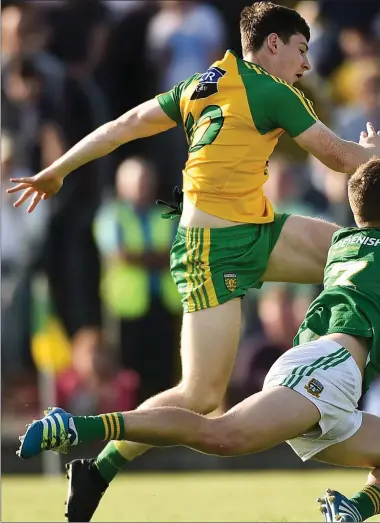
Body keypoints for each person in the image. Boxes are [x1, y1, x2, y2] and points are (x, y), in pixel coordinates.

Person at [8, 2, 380, 521]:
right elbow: (341, 159)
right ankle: (97, 459)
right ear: (272, 44)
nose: (307, 65)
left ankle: (347, 375)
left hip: (252, 226)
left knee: (359, 251)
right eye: (301, 50)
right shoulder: (272, 90)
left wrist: (58, 169)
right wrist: (373, 153)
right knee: (201, 397)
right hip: (214, 250)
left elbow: (128, 123)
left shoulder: (207, 81)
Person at [18, 157, 380, 523]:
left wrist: (369, 159)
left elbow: (354, 198)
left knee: (204, 410)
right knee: (220, 433)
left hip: (329, 382)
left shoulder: (344, 242)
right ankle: (78, 426)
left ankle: (352, 510)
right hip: (326, 371)